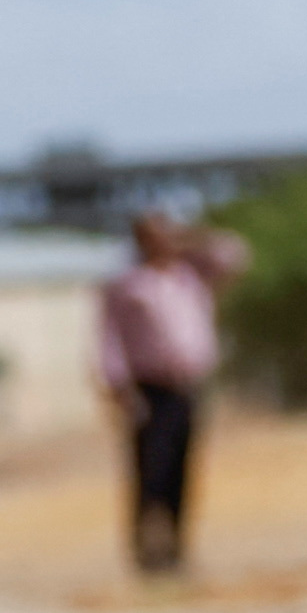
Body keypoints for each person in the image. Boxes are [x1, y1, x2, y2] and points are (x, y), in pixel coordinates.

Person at [90, 208, 248, 575]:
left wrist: (191, 237)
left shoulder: (189, 277)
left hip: (189, 387)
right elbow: (110, 340)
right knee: (150, 471)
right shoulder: (128, 285)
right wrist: (117, 386)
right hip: (150, 390)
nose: (164, 240)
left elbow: (236, 254)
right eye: (155, 234)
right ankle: (145, 553)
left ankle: (178, 550)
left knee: (182, 469)